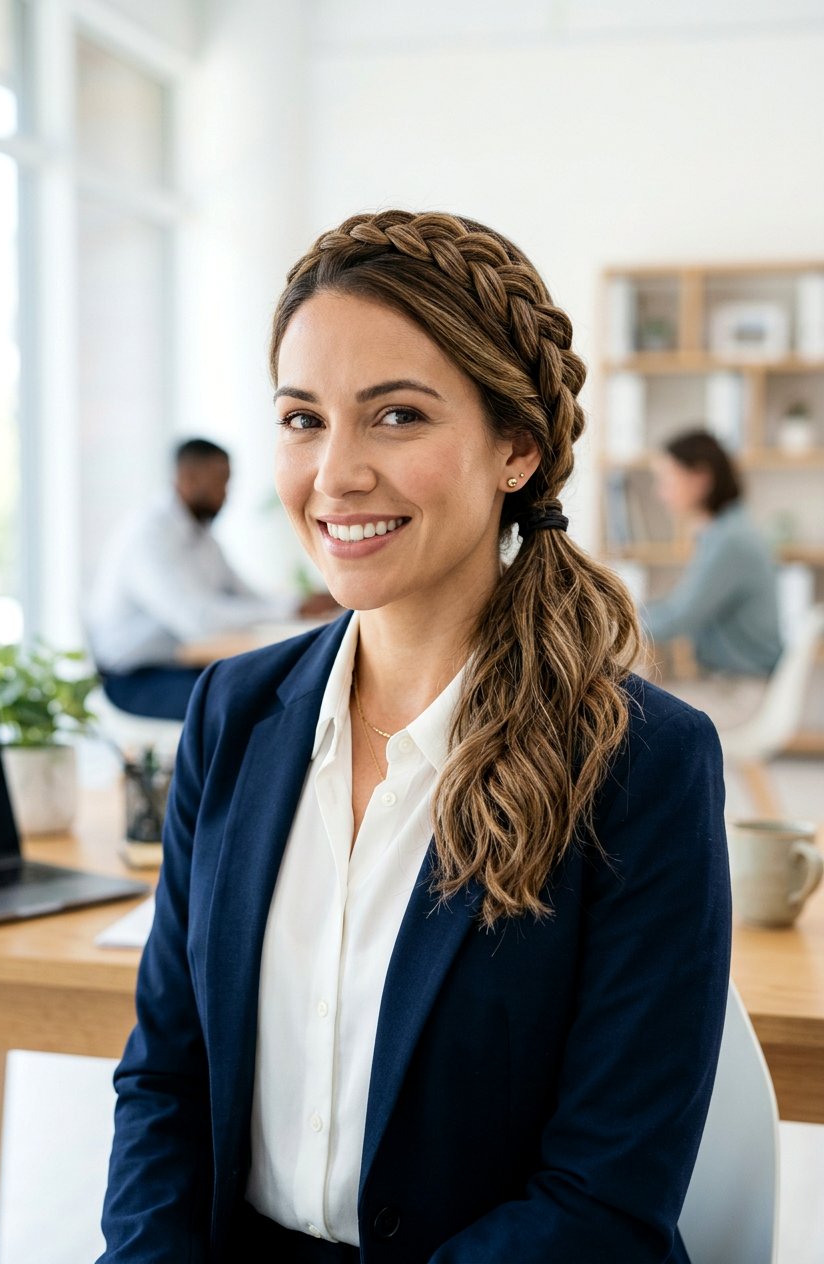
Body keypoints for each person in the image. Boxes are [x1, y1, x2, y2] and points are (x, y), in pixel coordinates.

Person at [98, 212, 730, 1263]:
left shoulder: (643, 763)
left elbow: (604, 1194)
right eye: (303, 419)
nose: (334, 474)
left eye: (394, 416)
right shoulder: (232, 715)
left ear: (515, 448)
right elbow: (166, 1080)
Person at [87, 437, 334, 720]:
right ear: (188, 478)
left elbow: (246, 596)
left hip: (181, 667)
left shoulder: (202, 538)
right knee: (251, 705)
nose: (226, 494)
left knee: (276, 687)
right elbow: (198, 621)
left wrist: (301, 602)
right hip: (134, 678)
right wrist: (291, 609)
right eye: (220, 482)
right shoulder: (148, 536)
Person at [641, 428, 782, 725]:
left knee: (630, 712)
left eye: (668, 479)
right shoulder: (725, 532)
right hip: (733, 685)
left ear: (700, 478)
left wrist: (610, 621)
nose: (660, 493)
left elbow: (679, 617)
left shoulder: (730, 541)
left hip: (738, 694)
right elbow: (676, 609)